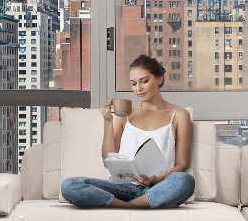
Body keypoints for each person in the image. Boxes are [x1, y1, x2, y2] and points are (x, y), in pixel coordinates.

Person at [61, 55, 195, 209]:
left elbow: (182, 163)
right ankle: (134, 205)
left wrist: (155, 179)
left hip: (157, 187)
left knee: (185, 180)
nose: (138, 89)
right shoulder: (126, 113)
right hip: (121, 187)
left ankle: (129, 204)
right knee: (70, 185)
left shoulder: (179, 115)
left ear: (159, 79)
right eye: (133, 83)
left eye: (144, 81)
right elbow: (108, 161)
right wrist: (108, 122)